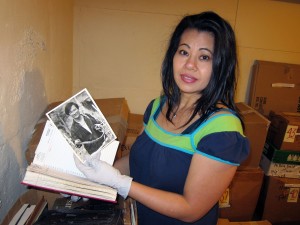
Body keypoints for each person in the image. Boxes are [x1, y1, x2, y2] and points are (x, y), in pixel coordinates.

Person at [75, 11, 250, 225]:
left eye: (204, 57)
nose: (190, 65)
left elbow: (191, 209)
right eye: (184, 52)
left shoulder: (223, 129)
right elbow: (136, 161)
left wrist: (120, 184)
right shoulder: (158, 106)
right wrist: (93, 178)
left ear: (221, 66)